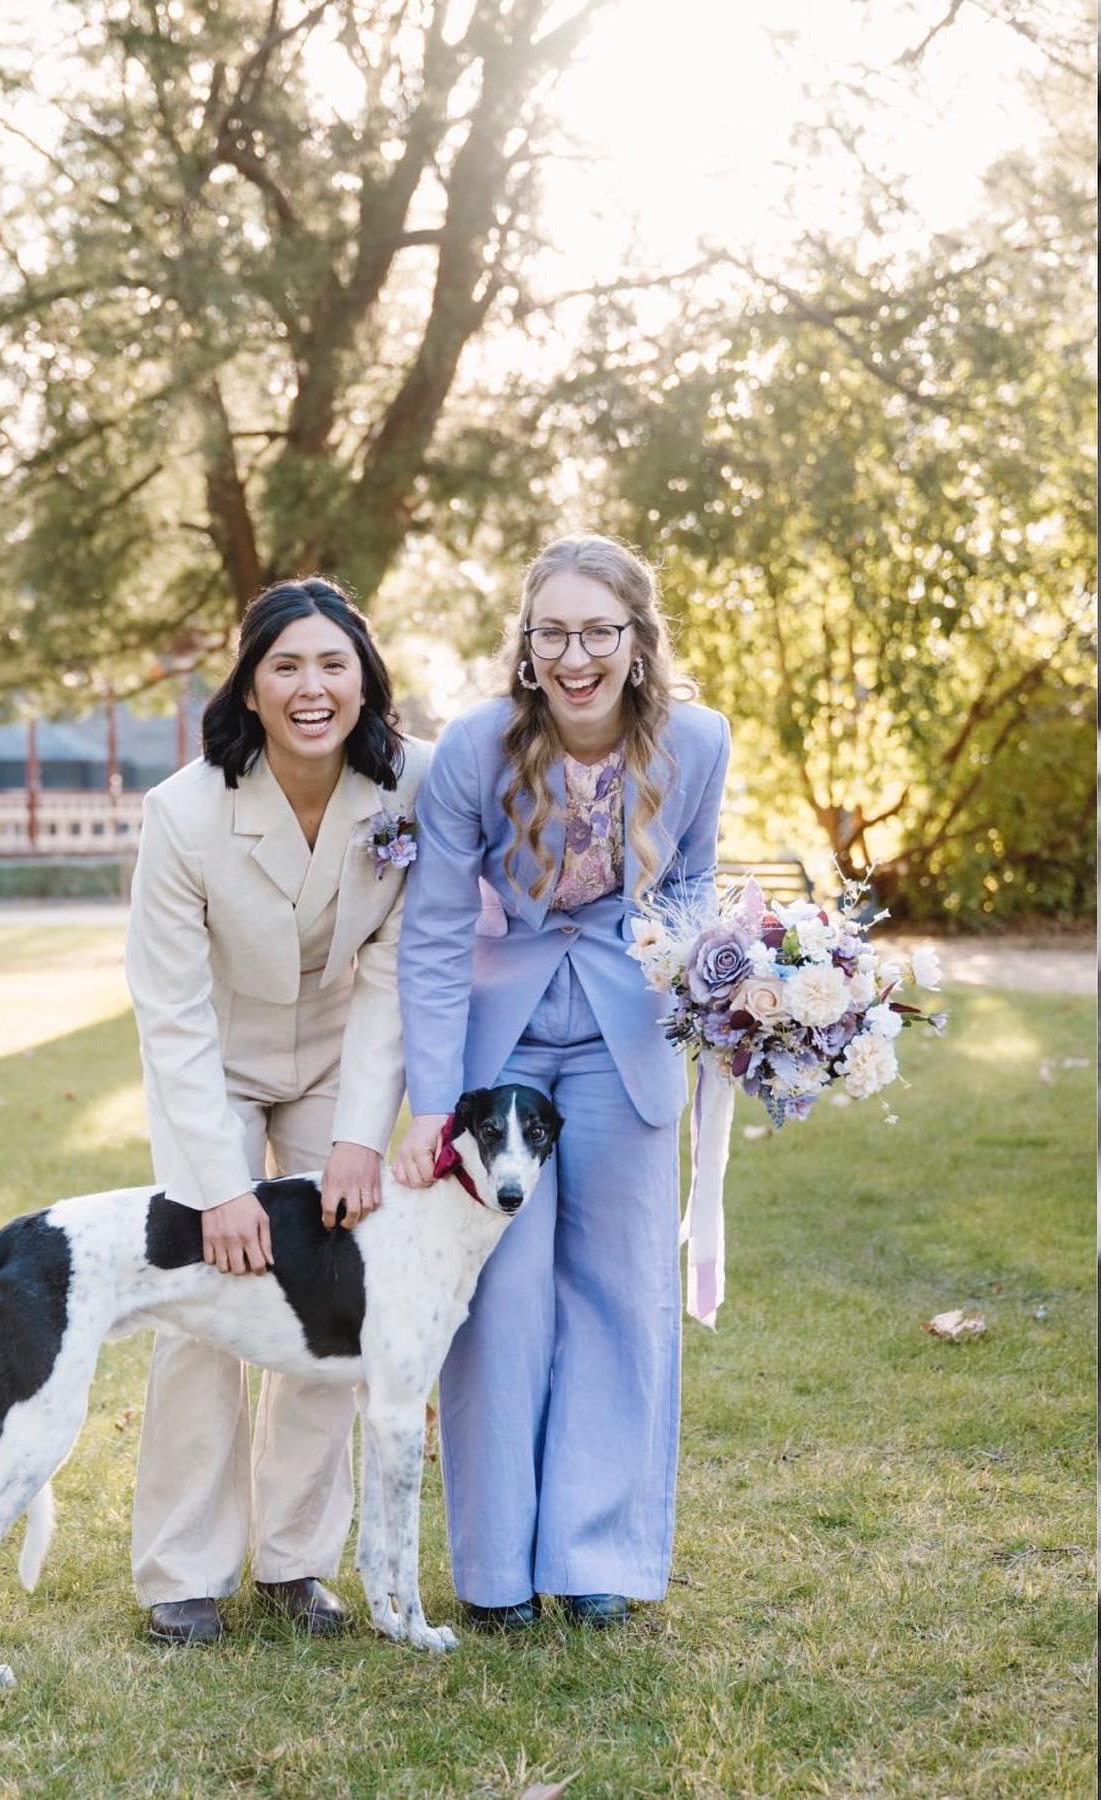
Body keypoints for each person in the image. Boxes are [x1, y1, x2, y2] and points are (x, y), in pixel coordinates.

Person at [392, 532, 729, 1628]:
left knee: (623, 1293)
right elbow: (437, 931)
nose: (575, 655)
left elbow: (689, 888)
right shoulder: (474, 750)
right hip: (503, 1047)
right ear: (526, 648)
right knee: (499, 1300)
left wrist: (720, 976)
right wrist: (436, 1104)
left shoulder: (701, 743)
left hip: (626, 1041)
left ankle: (599, 1563)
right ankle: (494, 1577)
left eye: (597, 631)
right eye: (553, 634)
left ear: (637, 641)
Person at [125, 578, 428, 1644]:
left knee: (335, 1295)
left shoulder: (410, 788)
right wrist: (217, 1188)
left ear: (365, 680)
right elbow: (169, 1012)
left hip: (342, 1061)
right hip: (219, 1062)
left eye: (333, 665)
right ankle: (182, 1572)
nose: (312, 687)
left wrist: (358, 1137)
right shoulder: (184, 813)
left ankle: (296, 1563)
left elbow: (398, 970)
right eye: (286, 666)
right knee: (206, 1298)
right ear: (250, 689)